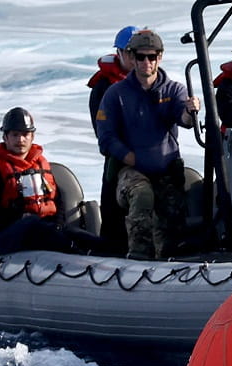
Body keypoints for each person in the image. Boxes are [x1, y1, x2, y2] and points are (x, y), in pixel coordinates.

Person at [96, 30, 201, 259]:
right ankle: (139, 254)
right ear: (131, 58)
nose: (146, 62)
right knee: (142, 194)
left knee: (172, 220)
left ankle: (169, 259)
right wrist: (129, 157)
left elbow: (183, 119)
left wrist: (189, 111)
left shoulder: (173, 90)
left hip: (166, 170)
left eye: (151, 57)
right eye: (141, 57)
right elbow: (106, 137)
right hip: (130, 171)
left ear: (159, 58)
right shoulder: (116, 94)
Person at [0, 108, 101, 256]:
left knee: (82, 237)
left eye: (25, 134)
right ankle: (76, 253)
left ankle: (112, 254)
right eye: (15, 135)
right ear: (5, 137)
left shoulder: (41, 166)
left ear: (32, 136)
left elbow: (57, 202)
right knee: (32, 224)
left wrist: (58, 226)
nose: (20, 140)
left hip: (45, 229)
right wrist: (19, 218)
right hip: (8, 235)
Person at [87, 26, 136, 254]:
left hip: (153, 156)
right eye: (130, 52)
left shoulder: (154, 81)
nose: (137, 58)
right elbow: (103, 132)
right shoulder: (103, 86)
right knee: (114, 210)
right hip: (120, 158)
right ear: (119, 53)